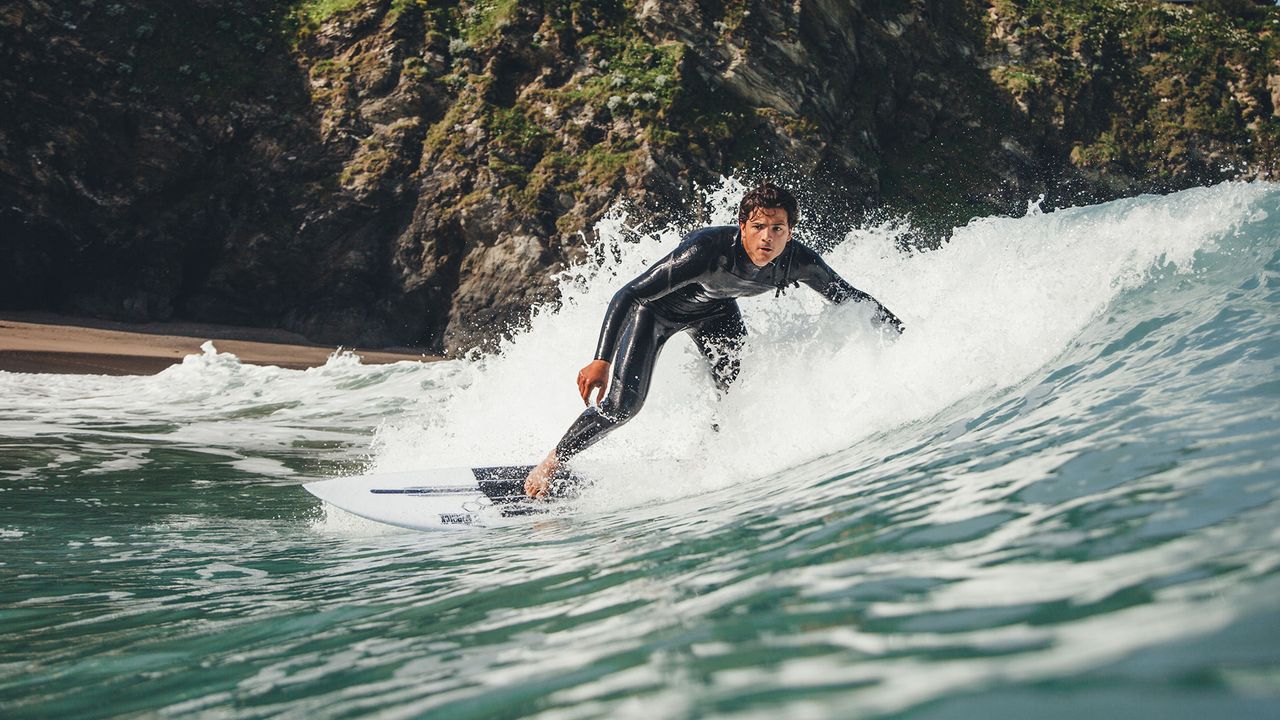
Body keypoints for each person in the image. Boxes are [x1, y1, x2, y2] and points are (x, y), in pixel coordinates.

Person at [524, 182, 904, 498]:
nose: (767, 238)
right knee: (624, 406)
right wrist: (601, 360)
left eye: (778, 229)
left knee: (736, 394)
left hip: (716, 314)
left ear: (790, 232)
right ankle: (551, 464)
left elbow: (849, 297)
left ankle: (713, 459)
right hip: (655, 314)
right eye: (758, 227)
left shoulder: (799, 263)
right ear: (742, 226)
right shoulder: (707, 251)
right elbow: (630, 294)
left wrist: (902, 336)